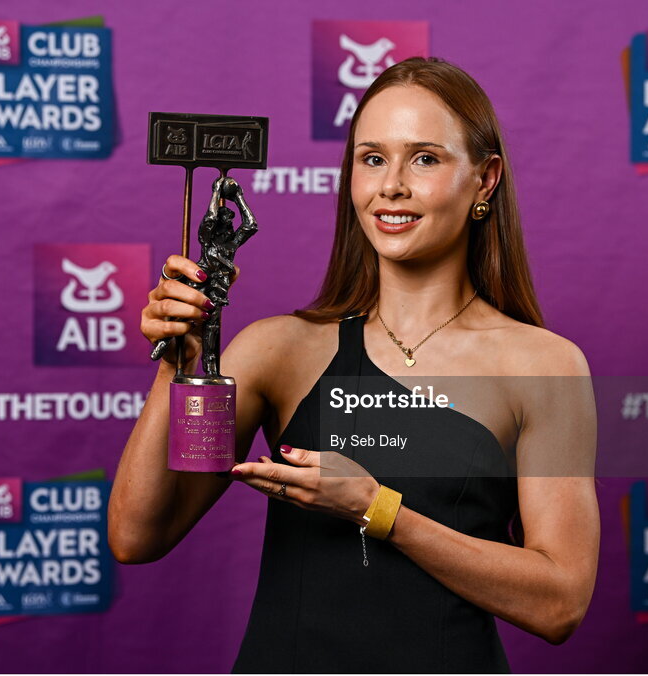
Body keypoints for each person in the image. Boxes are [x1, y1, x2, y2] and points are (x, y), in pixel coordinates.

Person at [109, 56, 599, 673]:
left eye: (425, 158)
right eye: (372, 158)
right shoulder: (278, 351)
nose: (391, 185)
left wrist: (377, 508)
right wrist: (177, 364)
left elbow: (560, 603)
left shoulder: (543, 367)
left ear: (486, 180)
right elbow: (137, 535)